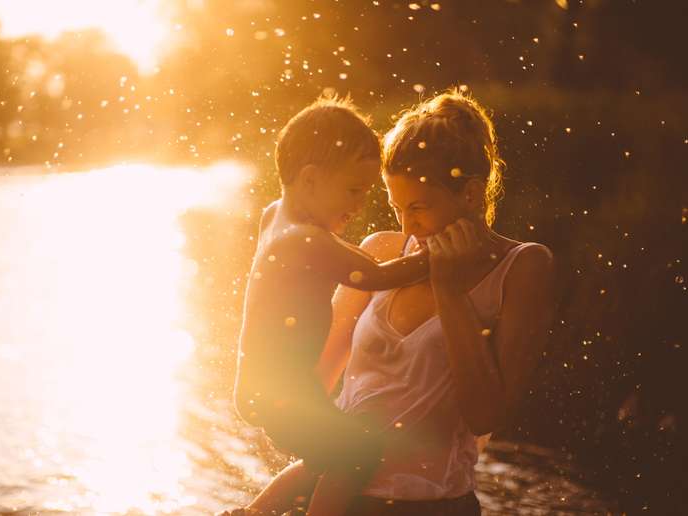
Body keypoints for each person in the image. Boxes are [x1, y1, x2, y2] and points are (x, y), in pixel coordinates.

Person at [230, 89, 555, 516]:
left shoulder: (523, 267)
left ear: (472, 194)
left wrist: (449, 287)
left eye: (419, 207)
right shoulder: (381, 251)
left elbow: (483, 417)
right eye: (396, 206)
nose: (407, 225)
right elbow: (318, 381)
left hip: (433, 505)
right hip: (340, 493)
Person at [227, 95, 432, 516]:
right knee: (358, 451)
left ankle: (250, 514)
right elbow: (374, 275)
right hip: (285, 390)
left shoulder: (274, 216)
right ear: (310, 180)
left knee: (329, 452)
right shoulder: (305, 240)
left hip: (265, 385)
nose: (358, 205)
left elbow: (337, 256)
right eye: (353, 191)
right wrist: (433, 258)